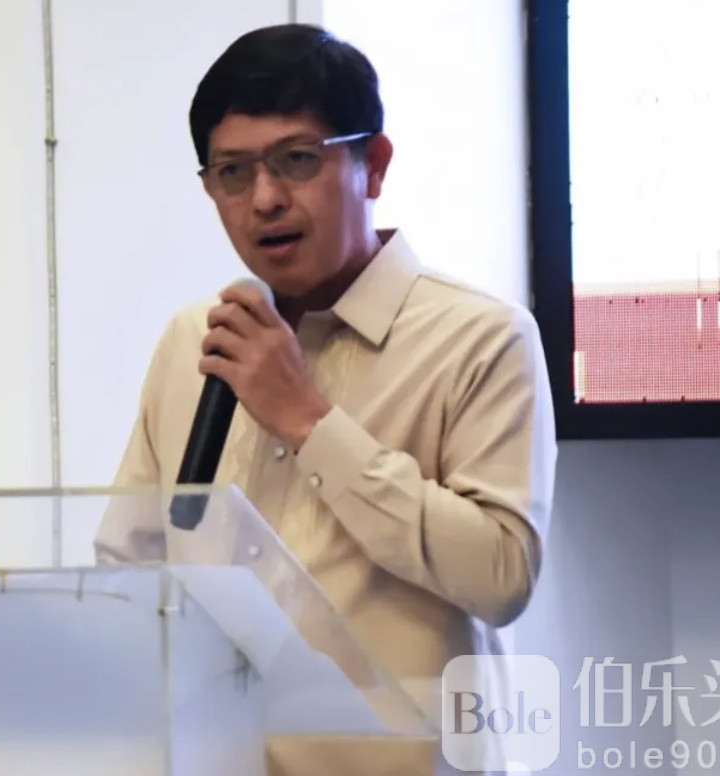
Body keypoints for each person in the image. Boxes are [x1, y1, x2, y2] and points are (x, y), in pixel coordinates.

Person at [94, 22, 557, 776]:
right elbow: (130, 565)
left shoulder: (481, 337)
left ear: (373, 165)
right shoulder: (193, 341)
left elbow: (501, 576)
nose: (265, 199)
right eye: (233, 172)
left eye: (297, 160)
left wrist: (311, 422)